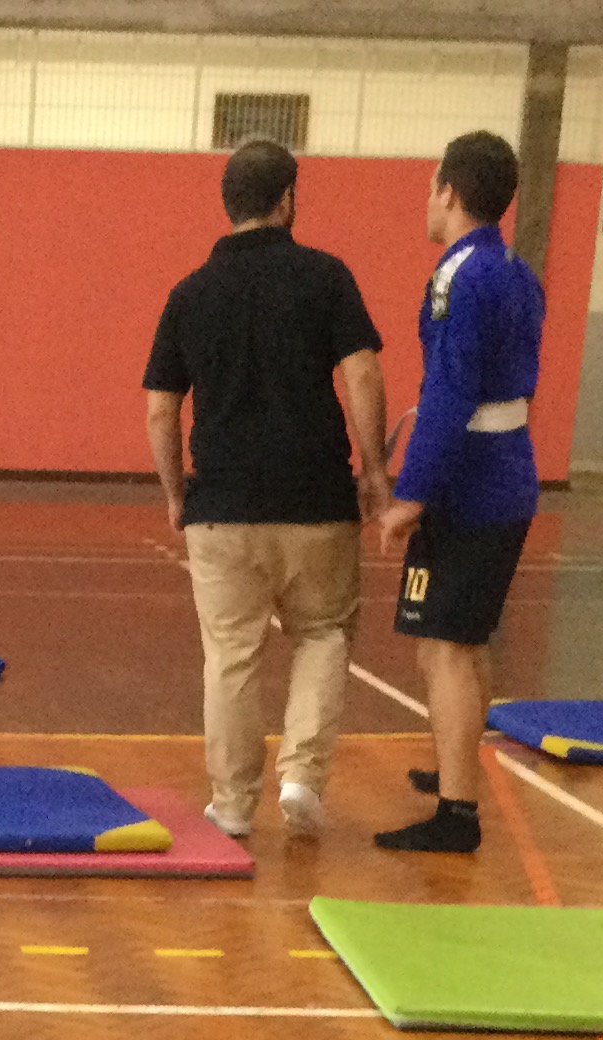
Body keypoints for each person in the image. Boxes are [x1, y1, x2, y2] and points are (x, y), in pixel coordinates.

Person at [142, 137, 387, 843]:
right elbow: (363, 373)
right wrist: (373, 469)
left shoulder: (189, 293)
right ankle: (302, 776)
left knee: (231, 654)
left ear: (228, 205)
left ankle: (232, 802)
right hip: (317, 502)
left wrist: (176, 495)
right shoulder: (327, 277)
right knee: (323, 633)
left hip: (221, 507)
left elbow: (161, 409)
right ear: (288, 200)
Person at [372, 131, 542, 855]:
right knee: (460, 645)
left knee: (444, 649)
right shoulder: (515, 270)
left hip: (468, 487)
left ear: (450, 191)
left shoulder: (458, 277)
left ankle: (457, 811)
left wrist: (412, 492)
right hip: (506, 475)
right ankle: (454, 769)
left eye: (431, 188)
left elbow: (450, 390)